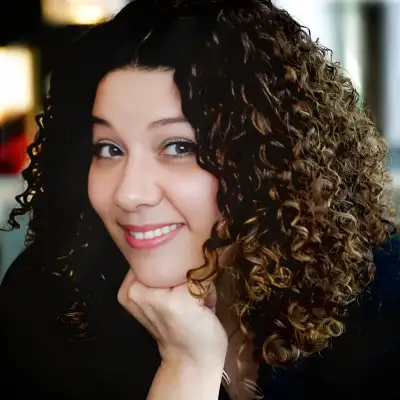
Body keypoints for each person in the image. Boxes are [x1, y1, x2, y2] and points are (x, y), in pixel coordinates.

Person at [1, 0, 399, 399]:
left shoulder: (384, 298)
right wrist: (186, 367)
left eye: (179, 147)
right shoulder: (47, 301)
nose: (129, 193)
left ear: (274, 160)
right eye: (108, 149)